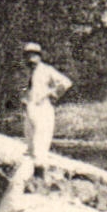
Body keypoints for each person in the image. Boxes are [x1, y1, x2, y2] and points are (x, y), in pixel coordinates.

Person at [20, 41, 72, 169]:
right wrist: (24, 99)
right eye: (28, 56)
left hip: (42, 109)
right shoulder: (28, 72)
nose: (30, 59)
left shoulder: (46, 70)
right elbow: (28, 90)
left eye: (33, 56)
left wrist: (52, 94)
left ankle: (40, 175)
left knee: (40, 144)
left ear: (39, 56)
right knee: (30, 143)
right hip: (30, 108)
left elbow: (66, 82)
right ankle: (32, 178)